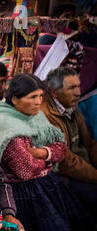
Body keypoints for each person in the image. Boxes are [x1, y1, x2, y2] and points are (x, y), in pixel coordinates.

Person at [0, 73, 97, 231]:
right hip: (26, 198)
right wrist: (49, 157)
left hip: (46, 188)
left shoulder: (33, 116)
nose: (38, 102)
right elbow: (26, 170)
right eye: (33, 97)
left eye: (40, 96)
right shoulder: (5, 126)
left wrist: (42, 152)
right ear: (15, 99)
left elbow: (61, 147)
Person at [42, 67, 97, 215]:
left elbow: (90, 143)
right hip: (64, 175)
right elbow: (65, 161)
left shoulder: (72, 107)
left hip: (84, 168)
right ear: (54, 92)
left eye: (78, 86)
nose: (78, 92)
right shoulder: (45, 115)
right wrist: (95, 176)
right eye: (72, 88)